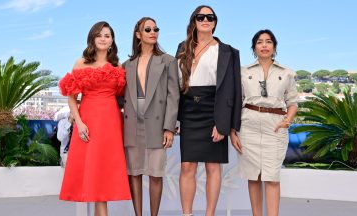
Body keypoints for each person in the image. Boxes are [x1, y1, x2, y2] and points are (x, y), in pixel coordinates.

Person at [58, 21, 131, 216]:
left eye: (107, 35)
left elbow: (123, 95)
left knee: (105, 170)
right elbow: (71, 97)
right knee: (92, 168)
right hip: (89, 119)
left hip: (112, 121)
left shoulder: (116, 64)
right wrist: (79, 122)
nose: (103, 39)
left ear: (112, 40)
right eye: (99, 35)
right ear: (92, 38)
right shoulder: (81, 62)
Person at [176, 5, 241, 216]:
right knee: (187, 166)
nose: (206, 20)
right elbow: (176, 85)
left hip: (213, 110)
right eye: (201, 16)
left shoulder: (228, 51)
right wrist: (174, 120)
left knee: (213, 167)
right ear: (194, 21)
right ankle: (187, 214)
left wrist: (224, 124)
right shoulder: (182, 48)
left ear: (215, 21)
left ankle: (209, 214)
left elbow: (233, 90)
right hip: (188, 111)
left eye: (210, 17)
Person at [230, 29, 298, 216]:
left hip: (275, 126)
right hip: (248, 125)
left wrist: (287, 121)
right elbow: (236, 102)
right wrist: (232, 131)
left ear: (274, 47)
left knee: (272, 177)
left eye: (268, 41)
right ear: (254, 48)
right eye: (260, 42)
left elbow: (293, 103)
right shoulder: (243, 72)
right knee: (253, 177)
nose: (264, 45)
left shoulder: (286, 73)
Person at [122, 17, 179, 216]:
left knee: (156, 174)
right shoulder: (126, 64)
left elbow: (174, 95)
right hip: (132, 123)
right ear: (138, 34)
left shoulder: (168, 60)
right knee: (134, 173)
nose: (153, 32)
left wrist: (170, 127)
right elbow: (120, 98)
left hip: (157, 122)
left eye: (156, 28)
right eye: (148, 29)